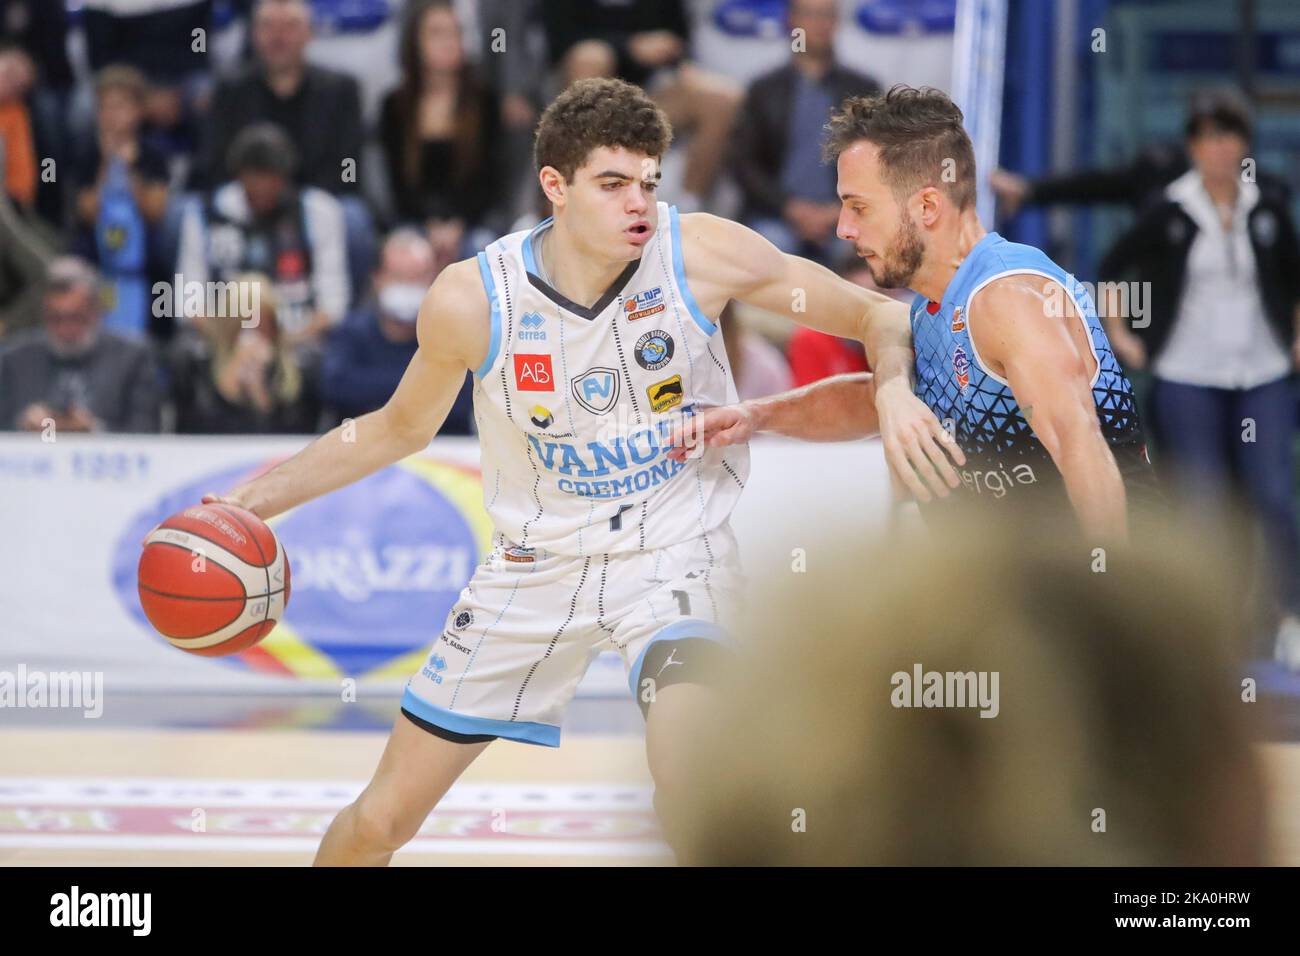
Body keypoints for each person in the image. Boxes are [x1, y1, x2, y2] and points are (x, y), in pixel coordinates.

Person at [193, 77, 949, 865]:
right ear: (555, 186)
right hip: (533, 567)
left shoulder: (700, 252)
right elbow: (393, 429)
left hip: (672, 556)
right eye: (614, 183)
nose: (640, 204)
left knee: (691, 782)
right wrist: (251, 501)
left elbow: (880, 314)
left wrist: (892, 390)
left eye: (651, 182)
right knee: (380, 823)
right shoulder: (473, 300)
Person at [677, 85, 1156, 541]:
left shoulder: (1007, 297)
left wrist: (1105, 591)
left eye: (858, 207)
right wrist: (756, 414)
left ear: (927, 205)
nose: (843, 229)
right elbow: (877, 401)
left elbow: (1081, 446)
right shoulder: (937, 301)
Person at [1097, 93, 1300, 666]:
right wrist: (1124, 333)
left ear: (1244, 145)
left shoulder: (1268, 206)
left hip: (1260, 369)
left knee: (1272, 495)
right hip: (1188, 371)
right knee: (1204, 501)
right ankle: (1211, 623)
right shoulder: (1170, 210)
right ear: (1193, 146)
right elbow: (1114, 266)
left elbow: (1292, 273)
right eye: (1209, 138)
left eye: (1230, 136)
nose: (1221, 149)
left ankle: (1285, 615)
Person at [176, 123, 349, 357]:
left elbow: (333, 306)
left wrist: (281, 345)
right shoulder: (204, 213)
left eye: (272, 177)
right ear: (238, 173)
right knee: (186, 352)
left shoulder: (318, 211)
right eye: (255, 176)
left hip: (295, 338)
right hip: (222, 339)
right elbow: (189, 302)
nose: (263, 186)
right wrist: (230, 345)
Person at [730, 0, 880, 262]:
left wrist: (839, 209)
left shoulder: (863, 90)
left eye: (826, 15)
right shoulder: (764, 90)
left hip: (844, 214)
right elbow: (743, 165)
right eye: (810, 15)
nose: (819, 24)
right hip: (775, 214)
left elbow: (879, 163)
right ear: (791, 21)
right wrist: (790, 208)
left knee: (863, 248)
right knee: (773, 248)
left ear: (837, 22)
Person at [379, 0, 504, 263]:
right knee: (410, 257)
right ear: (414, 41)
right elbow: (397, 184)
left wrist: (458, 224)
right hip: (413, 220)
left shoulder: (484, 101)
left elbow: (491, 178)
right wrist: (430, 225)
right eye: (436, 33)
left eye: (454, 32)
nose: (448, 41)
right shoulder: (395, 105)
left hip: (473, 221)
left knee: (481, 255)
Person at [320, 228, 474, 433]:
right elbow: (334, 386)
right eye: (399, 277)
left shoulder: (452, 336)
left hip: (440, 451)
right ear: (378, 278)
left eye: (418, 277)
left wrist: (378, 389)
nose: (409, 287)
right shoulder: (351, 332)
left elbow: (465, 399)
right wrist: (423, 390)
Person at [0, 256, 160, 433]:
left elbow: (148, 432)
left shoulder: (132, 358)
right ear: (43, 314)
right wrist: (22, 426)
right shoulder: (15, 360)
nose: (65, 329)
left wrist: (94, 429)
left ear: (96, 311)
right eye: (56, 319)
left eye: (76, 318)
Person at [73, 65, 172, 341]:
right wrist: (106, 164)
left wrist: (130, 172)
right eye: (105, 108)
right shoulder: (87, 152)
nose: (112, 116)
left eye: (120, 107)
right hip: (97, 265)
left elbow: (155, 213)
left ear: (139, 111)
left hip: (144, 268)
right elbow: (87, 213)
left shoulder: (153, 154)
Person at [170, 272, 319, 434]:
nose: (252, 337)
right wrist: (229, 385)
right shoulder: (195, 372)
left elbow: (294, 441)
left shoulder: (296, 378)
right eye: (243, 325)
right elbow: (195, 434)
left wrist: (261, 395)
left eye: (261, 327)